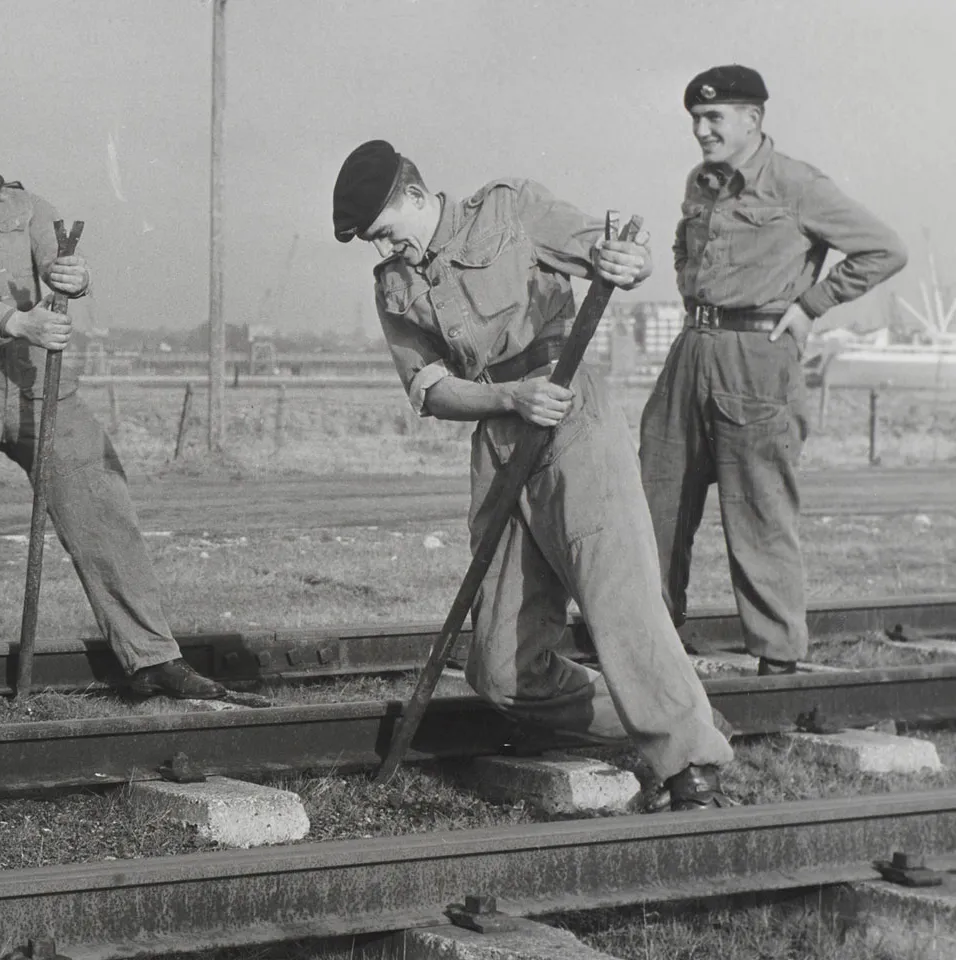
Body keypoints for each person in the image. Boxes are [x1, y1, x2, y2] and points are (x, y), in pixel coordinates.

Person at [332, 140, 735, 810]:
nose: (386, 250)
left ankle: (689, 762)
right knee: (500, 670)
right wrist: (505, 399)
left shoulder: (509, 210)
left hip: (569, 407)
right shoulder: (393, 287)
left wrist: (624, 262)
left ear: (411, 194)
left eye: (385, 233)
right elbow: (430, 390)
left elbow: (607, 255)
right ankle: (672, 720)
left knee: (618, 596)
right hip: (499, 435)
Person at [0, 101, 226, 720]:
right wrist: (12, 318)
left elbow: (56, 266)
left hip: (36, 370)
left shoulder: (27, 207)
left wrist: (75, 275)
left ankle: (151, 658)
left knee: (100, 497)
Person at [639, 65, 907, 675]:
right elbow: (688, 247)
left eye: (714, 119)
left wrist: (811, 306)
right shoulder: (702, 181)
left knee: (758, 505)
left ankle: (776, 659)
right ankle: (650, 637)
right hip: (692, 348)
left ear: (753, 119)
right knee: (657, 494)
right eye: (695, 121)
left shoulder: (796, 184)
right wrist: (687, 280)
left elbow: (885, 248)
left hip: (758, 355)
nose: (701, 131)